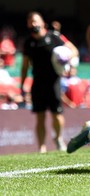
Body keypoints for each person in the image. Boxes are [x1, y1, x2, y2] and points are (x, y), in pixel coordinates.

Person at [20, 11, 79, 153]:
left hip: (54, 81)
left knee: (56, 114)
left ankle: (58, 139)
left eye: (36, 21)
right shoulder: (28, 42)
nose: (33, 24)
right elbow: (25, 65)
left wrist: (67, 58)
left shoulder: (54, 37)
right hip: (37, 83)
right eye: (30, 21)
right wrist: (22, 85)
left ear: (42, 23)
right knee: (40, 117)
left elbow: (74, 50)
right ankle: (41, 147)